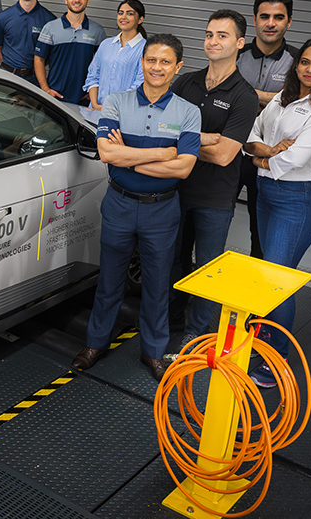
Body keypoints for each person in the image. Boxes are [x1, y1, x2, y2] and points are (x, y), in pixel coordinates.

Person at [72, 34, 201, 382]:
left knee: (158, 285)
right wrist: (162, 153)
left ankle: (154, 351)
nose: (156, 68)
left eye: (165, 62)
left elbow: (185, 167)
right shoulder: (115, 102)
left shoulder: (188, 112)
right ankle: (96, 343)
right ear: (141, 62)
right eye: (151, 60)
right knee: (109, 280)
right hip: (119, 204)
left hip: (162, 210)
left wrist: (129, 157)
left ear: (178, 67)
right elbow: (107, 154)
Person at [243, 37, 311, 388]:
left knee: (278, 277)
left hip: (301, 198)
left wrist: (262, 157)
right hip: (267, 191)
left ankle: (277, 358)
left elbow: (295, 158)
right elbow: (250, 134)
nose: (310, 69)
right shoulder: (284, 97)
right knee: (265, 267)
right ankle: (265, 334)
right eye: (305, 61)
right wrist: (267, 150)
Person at [169, 10, 259, 339]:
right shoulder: (186, 82)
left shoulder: (244, 97)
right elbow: (164, 130)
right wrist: (203, 139)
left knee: (208, 270)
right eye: (209, 34)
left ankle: (197, 336)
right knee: (174, 261)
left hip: (214, 199)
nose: (213, 40)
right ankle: (170, 322)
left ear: (239, 43)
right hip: (176, 189)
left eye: (222, 35)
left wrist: (181, 142)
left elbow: (224, 156)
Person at [236, 0, 298, 259]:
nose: (270, 23)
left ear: (289, 21)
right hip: (232, 151)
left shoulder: (298, 61)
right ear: (254, 19)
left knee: (260, 231)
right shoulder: (237, 53)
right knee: (211, 220)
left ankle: (251, 295)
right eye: (264, 16)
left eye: (278, 17)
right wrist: (273, 98)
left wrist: (247, 94)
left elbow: (297, 103)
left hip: (270, 156)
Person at [34, 0, 106, 104]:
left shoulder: (97, 31)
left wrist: (94, 92)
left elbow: (104, 65)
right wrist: (45, 89)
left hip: (83, 100)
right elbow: (39, 59)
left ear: (88, 0)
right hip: (55, 98)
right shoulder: (50, 28)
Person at [0, 0, 56, 84]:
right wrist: (11, 66)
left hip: (35, 79)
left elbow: (51, 54)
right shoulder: (3, 17)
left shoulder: (49, 20)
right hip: (7, 76)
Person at [83, 0, 147, 110]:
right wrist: (95, 105)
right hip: (96, 110)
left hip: (124, 112)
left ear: (140, 19)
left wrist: (113, 107)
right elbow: (93, 75)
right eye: (120, 13)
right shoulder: (106, 44)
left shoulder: (146, 49)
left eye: (130, 13)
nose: (123, 17)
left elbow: (140, 84)